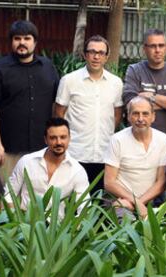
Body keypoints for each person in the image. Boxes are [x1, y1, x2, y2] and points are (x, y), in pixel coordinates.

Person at [0, 20, 60, 178]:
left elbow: (56, 104)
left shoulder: (47, 67)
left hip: (42, 148)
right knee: (6, 196)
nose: (22, 43)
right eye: (17, 38)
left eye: (27, 38)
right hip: (8, 150)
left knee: (40, 195)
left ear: (35, 42)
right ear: (11, 41)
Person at [54, 35, 123, 196]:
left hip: (104, 155)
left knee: (98, 204)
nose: (96, 56)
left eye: (101, 53)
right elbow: (58, 113)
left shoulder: (116, 83)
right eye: (92, 52)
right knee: (73, 203)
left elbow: (117, 115)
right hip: (75, 154)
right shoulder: (69, 81)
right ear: (85, 55)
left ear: (107, 56)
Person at [5, 118, 89, 219]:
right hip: (26, 226)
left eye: (63, 137)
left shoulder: (77, 170)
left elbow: (85, 207)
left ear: (69, 138)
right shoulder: (27, 162)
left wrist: (71, 230)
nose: (59, 142)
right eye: (53, 138)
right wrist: (15, 218)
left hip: (57, 229)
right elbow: (8, 193)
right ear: (45, 139)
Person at [122, 28, 166, 148]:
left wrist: (151, 97)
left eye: (161, 45)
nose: (157, 50)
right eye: (153, 46)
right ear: (144, 49)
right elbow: (130, 103)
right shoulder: (134, 70)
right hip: (137, 143)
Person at [104, 96, 166, 218]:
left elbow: (161, 182)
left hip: (150, 201)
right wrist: (136, 203)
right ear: (128, 116)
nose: (140, 119)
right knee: (128, 229)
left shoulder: (163, 139)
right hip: (121, 201)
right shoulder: (117, 139)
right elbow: (109, 182)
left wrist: (138, 203)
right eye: (135, 114)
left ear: (153, 116)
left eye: (145, 114)